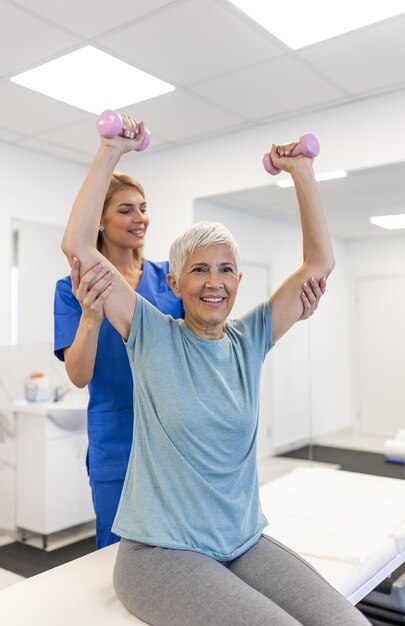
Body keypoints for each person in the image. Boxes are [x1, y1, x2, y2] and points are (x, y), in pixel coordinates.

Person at [61, 116, 369, 626]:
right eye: (200, 269)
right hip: (159, 555)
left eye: (226, 269)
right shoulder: (152, 335)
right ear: (176, 282)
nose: (215, 282)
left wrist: (302, 172)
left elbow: (319, 265)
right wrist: (111, 150)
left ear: (239, 280)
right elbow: (79, 246)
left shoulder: (249, 341)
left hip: (240, 542)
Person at [54, 169, 183, 549]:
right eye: (126, 210)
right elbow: (78, 375)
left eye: (143, 208)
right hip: (116, 442)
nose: (140, 218)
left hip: (171, 436)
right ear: (99, 221)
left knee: (177, 547)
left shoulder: (169, 279)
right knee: (117, 553)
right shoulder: (72, 289)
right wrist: (91, 317)